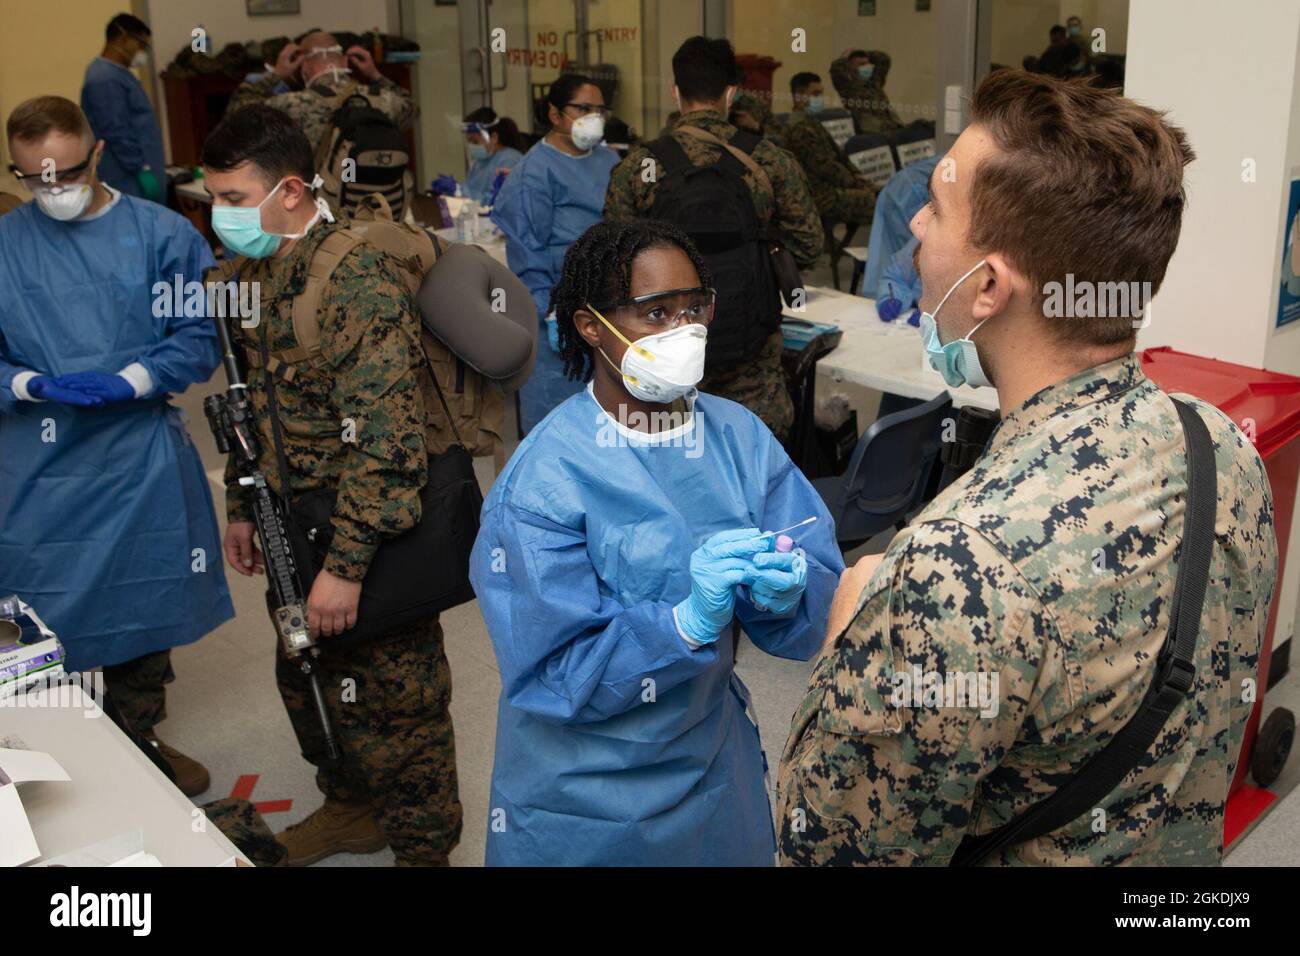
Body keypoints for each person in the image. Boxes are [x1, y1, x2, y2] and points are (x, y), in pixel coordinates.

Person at [777, 70, 1278, 866]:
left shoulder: (952, 568)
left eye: (939, 209)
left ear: (986, 287)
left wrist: (850, 643)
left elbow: (827, 851)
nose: (914, 222)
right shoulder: (1220, 444)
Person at [471, 219, 843, 866]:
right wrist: (684, 623)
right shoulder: (543, 483)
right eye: (655, 313)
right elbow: (553, 674)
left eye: (695, 307)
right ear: (590, 327)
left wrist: (788, 594)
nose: (684, 330)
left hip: (708, 761)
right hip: (588, 792)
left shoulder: (738, 438)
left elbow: (813, 601)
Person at [201, 104, 461, 866]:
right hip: (289, 520)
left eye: (231, 199)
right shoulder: (252, 274)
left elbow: (389, 441)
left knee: (400, 707)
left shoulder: (353, 278)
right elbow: (243, 406)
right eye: (211, 197)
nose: (219, 216)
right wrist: (242, 506)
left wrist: (346, 568)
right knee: (307, 676)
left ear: (288, 190)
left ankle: (424, 852)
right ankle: (351, 807)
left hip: (366, 530)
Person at [0, 97, 233, 794]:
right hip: (33, 464)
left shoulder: (163, 236)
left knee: (143, 594)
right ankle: (39, 749)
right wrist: (32, 385)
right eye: (35, 178)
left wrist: (132, 379)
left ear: (98, 152)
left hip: (136, 456)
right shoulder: (6, 245)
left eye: (68, 172)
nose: (54, 190)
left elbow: (197, 339)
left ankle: (138, 735)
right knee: (31, 607)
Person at [605, 37, 823, 442]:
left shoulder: (639, 165)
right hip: (752, 363)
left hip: (665, 367)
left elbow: (616, 263)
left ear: (676, 91)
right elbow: (809, 245)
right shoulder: (769, 159)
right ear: (731, 92)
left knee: (673, 466)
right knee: (755, 464)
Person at [491, 74, 619, 434]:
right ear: (555, 114)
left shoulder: (609, 160)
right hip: (557, 306)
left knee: (610, 424)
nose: (593, 117)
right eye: (582, 108)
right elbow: (528, 253)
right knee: (560, 425)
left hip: (610, 304)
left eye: (599, 110)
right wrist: (552, 309)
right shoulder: (533, 173)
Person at [226, 31, 412, 156]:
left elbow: (236, 116)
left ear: (304, 66)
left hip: (325, 206)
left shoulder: (293, 104)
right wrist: (375, 74)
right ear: (345, 62)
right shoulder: (383, 99)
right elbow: (411, 109)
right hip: (381, 205)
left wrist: (277, 74)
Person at [81, 13, 165, 203]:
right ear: (124, 38)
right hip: (126, 178)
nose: (142, 53)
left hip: (137, 175)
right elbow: (116, 131)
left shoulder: (119, 75)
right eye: (141, 45)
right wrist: (141, 168)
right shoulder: (103, 79)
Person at [784, 72, 877, 229]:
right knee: (881, 204)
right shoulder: (799, 128)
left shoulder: (811, 122)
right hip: (820, 195)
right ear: (799, 96)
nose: (820, 99)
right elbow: (825, 167)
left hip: (834, 188)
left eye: (821, 93)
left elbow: (839, 155)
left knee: (887, 194)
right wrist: (854, 184)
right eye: (815, 94)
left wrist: (858, 178)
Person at [861, 153, 940, 316]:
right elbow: (896, 275)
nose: (917, 224)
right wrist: (889, 297)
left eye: (935, 208)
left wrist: (939, 312)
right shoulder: (931, 226)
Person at [829, 47, 903, 135]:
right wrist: (846, 57)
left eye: (867, 64)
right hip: (873, 133)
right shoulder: (848, 88)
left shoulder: (874, 83)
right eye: (862, 64)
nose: (866, 67)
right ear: (850, 68)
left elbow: (883, 59)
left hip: (893, 127)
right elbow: (836, 69)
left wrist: (863, 53)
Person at [461, 107, 524, 205]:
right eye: (469, 141)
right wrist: (456, 190)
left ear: (494, 137)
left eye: (475, 141)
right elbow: (469, 190)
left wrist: (459, 190)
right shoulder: (479, 161)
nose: (471, 146)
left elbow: (494, 201)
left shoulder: (511, 160)